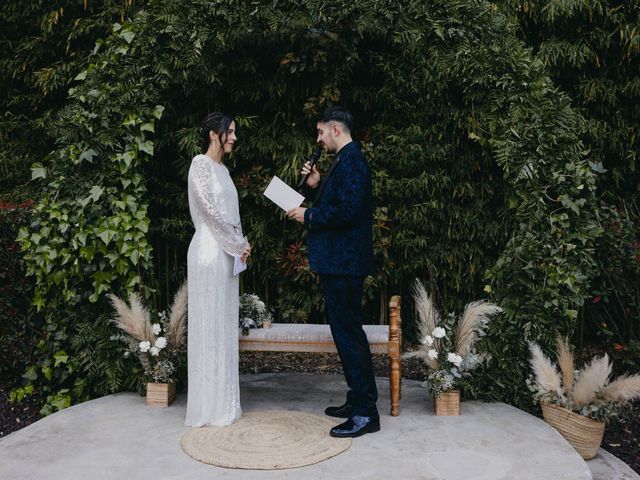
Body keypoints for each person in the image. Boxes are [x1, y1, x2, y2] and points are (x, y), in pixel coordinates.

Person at [287, 106, 379, 438]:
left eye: (321, 132)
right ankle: (357, 401)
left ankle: (367, 412)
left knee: (349, 335)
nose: (319, 138)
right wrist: (315, 184)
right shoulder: (344, 161)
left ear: (336, 129)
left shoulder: (353, 161)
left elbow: (347, 212)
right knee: (346, 334)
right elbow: (337, 201)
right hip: (339, 263)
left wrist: (308, 216)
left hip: (345, 264)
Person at [185, 112, 251, 427]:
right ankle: (207, 407)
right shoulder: (200, 164)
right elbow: (210, 214)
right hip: (209, 253)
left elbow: (231, 215)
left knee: (223, 326)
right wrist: (238, 244)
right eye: (231, 132)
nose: (234, 138)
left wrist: (242, 243)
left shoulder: (223, 170)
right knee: (208, 324)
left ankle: (224, 401)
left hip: (226, 254)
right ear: (215, 134)